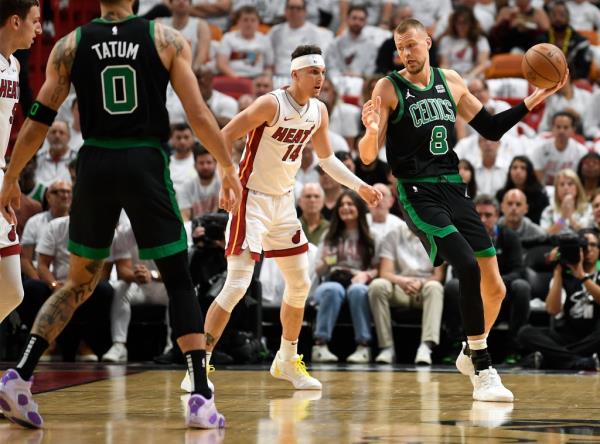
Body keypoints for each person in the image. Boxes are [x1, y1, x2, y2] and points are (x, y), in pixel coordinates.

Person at [0, 0, 243, 430]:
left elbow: (38, 119)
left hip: (94, 163)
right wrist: (227, 166)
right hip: (143, 161)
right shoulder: (164, 38)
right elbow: (198, 113)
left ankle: (19, 374)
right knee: (177, 277)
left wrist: (12, 175)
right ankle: (201, 396)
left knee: (78, 282)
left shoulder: (71, 43)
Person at [358, 18, 566, 402]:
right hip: (417, 192)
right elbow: (369, 157)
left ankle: (469, 354)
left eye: (413, 45)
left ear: (429, 41)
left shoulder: (450, 80)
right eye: (401, 47)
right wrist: (371, 131)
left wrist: (536, 97)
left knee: (498, 288)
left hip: (455, 188)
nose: (407, 53)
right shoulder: (388, 87)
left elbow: (489, 128)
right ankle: (483, 367)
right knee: (466, 266)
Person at [182, 44, 381, 392]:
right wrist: (228, 178)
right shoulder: (271, 104)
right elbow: (224, 135)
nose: (320, 78)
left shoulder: (319, 110)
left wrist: (360, 187)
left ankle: (286, 359)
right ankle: (198, 369)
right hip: (252, 200)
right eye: (313, 72)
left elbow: (326, 158)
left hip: (284, 202)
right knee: (237, 285)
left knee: (300, 284)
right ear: (295, 75)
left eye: (322, 72)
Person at [0, 0, 40, 326]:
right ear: (16, 21)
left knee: (13, 290)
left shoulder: (12, 65)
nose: (39, 29)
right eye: (35, 21)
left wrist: (7, 180)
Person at [518, 229, 600, 371]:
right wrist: (557, 271)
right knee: (526, 332)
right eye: (584, 246)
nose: (589, 249)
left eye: (593, 245)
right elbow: (552, 310)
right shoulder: (563, 277)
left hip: (594, 336)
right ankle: (579, 361)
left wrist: (582, 276)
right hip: (567, 335)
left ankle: (553, 358)